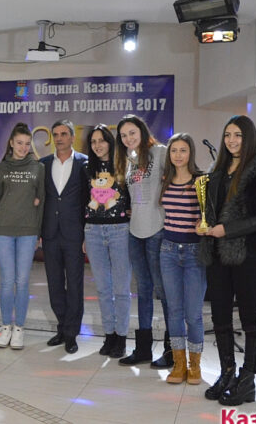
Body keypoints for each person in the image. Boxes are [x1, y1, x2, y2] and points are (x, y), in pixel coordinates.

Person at [199, 115, 256, 406]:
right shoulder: (218, 169)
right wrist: (204, 225)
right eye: (227, 135)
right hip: (218, 252)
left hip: (249, 253)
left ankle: (247, 380)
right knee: (219, 314)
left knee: (250, 317)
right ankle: (227, 372)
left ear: (248, 138)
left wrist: (228, 230)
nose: (231, 140)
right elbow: (212, 209)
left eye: (238, 135)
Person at [116, 115, 173, 369]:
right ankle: (143, 349)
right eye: (123, 135)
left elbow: (175, 180)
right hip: (135, 232)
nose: (128, 138)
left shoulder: (160, 152)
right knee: (143, 291)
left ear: (141, 131)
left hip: (157, 230)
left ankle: (173, 350)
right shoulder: (129, 160)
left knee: (163, 290)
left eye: (132, 132)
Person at [0, 122, 45, 350]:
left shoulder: (38, 168)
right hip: (3, 230)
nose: (23, 148)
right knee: (6, 281)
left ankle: (19, 328)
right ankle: (5, 326)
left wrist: (39, 232)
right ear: (11, 143)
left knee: (22, 281)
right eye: (19, 143)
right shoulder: (1, 168)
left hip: (28, 232)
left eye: (27, 144)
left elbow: (41, 201)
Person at [158, 133, 206, 385]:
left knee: (193, 313)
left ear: (191, 153)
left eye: (183, 150)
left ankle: (194, 365)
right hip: (168, 251)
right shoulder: (165, 180)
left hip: (194, 252)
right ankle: (178, 364)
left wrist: (204, 224)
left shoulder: (201, 181)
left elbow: (211, 214)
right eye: (174, 150)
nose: (178, 155)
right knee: (174, 311)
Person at [40, 119, 88, 354]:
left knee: (75, 284)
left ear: (72, 137)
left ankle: (71, 334)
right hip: (50, 233)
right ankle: (61, 326)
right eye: (56, 134)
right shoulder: (43, 164)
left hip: (74, 234)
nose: (59, 138)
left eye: (63, 134)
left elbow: (89, 200)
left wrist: (86, 233)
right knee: (55, 284)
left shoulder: (84, 164)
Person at [83, 124, 131, 358]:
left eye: (101, 140)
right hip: (93, 231)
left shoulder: (123, 165)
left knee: (121, 289)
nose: (97, 145)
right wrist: (83, 234)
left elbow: (133, 196)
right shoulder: (86, 169)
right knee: (103, 289)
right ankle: (109, 335)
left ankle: (121, 337)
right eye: (93, 142)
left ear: (110, 142)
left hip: (120, 231)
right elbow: (82, 201)